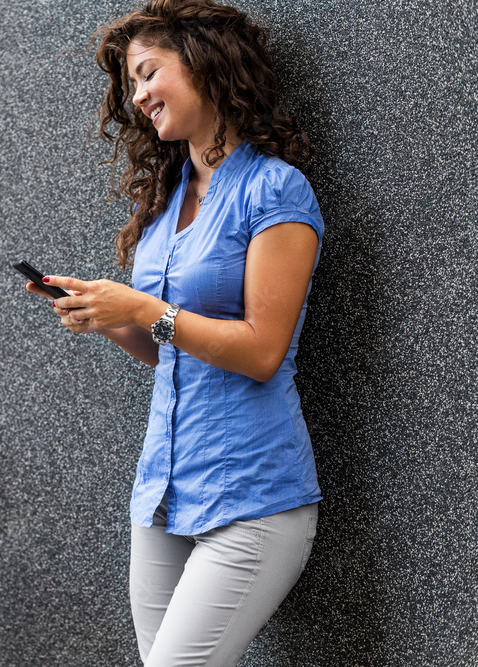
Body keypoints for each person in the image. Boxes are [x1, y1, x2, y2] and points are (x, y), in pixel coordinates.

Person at [23, 1, 323, 664]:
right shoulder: (163, 200)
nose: (137, 97)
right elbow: (170, 353)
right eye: (130, 85)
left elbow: (262, 351)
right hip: (161, 494)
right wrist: (108, 317)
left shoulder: (276, 191)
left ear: (203, 62)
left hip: (252, 496)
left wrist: (140, 307)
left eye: (148, 73)